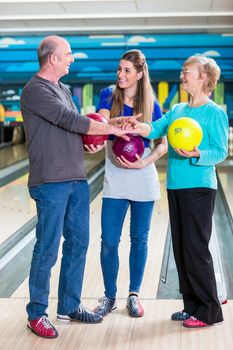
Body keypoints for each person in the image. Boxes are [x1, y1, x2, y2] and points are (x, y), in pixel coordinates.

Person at [20, 35, 134, 339]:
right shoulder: (34, 90)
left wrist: (93, 142)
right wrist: (108, 129)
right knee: (47, 249)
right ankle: (36, 314)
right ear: (53, 58)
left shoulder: (64, 89)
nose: (72, 58)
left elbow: (71, 131)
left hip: (76, 178)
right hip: (50, 182)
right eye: (68, 54)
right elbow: (69, 120)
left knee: (79, 244)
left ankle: (69, 305)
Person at [124, 55, 229, 328]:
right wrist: (138, 126)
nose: (182, 75)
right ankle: (191, 305)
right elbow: (156, 128)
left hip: (199, 188)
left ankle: (209, 311)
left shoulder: (214, 112)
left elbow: (220, 151)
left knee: (196, 249)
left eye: (187, 72)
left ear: (205, 78)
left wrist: (197, 153)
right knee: (182, 250)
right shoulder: (178, 108)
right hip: (176, 186)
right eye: (182, 71)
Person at [92, 50, 167, 318]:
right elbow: (100, 124)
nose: (120, 75)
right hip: (115, 177)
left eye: (126, 70)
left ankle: (133, 295)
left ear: (139, 74)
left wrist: (144, 163)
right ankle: (109, 296)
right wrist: (118, 123)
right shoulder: (108, 95)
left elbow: (162, 145)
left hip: (142, 176)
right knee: (109, 241)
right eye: (119, 69)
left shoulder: (152, 105)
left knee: (139, 239)